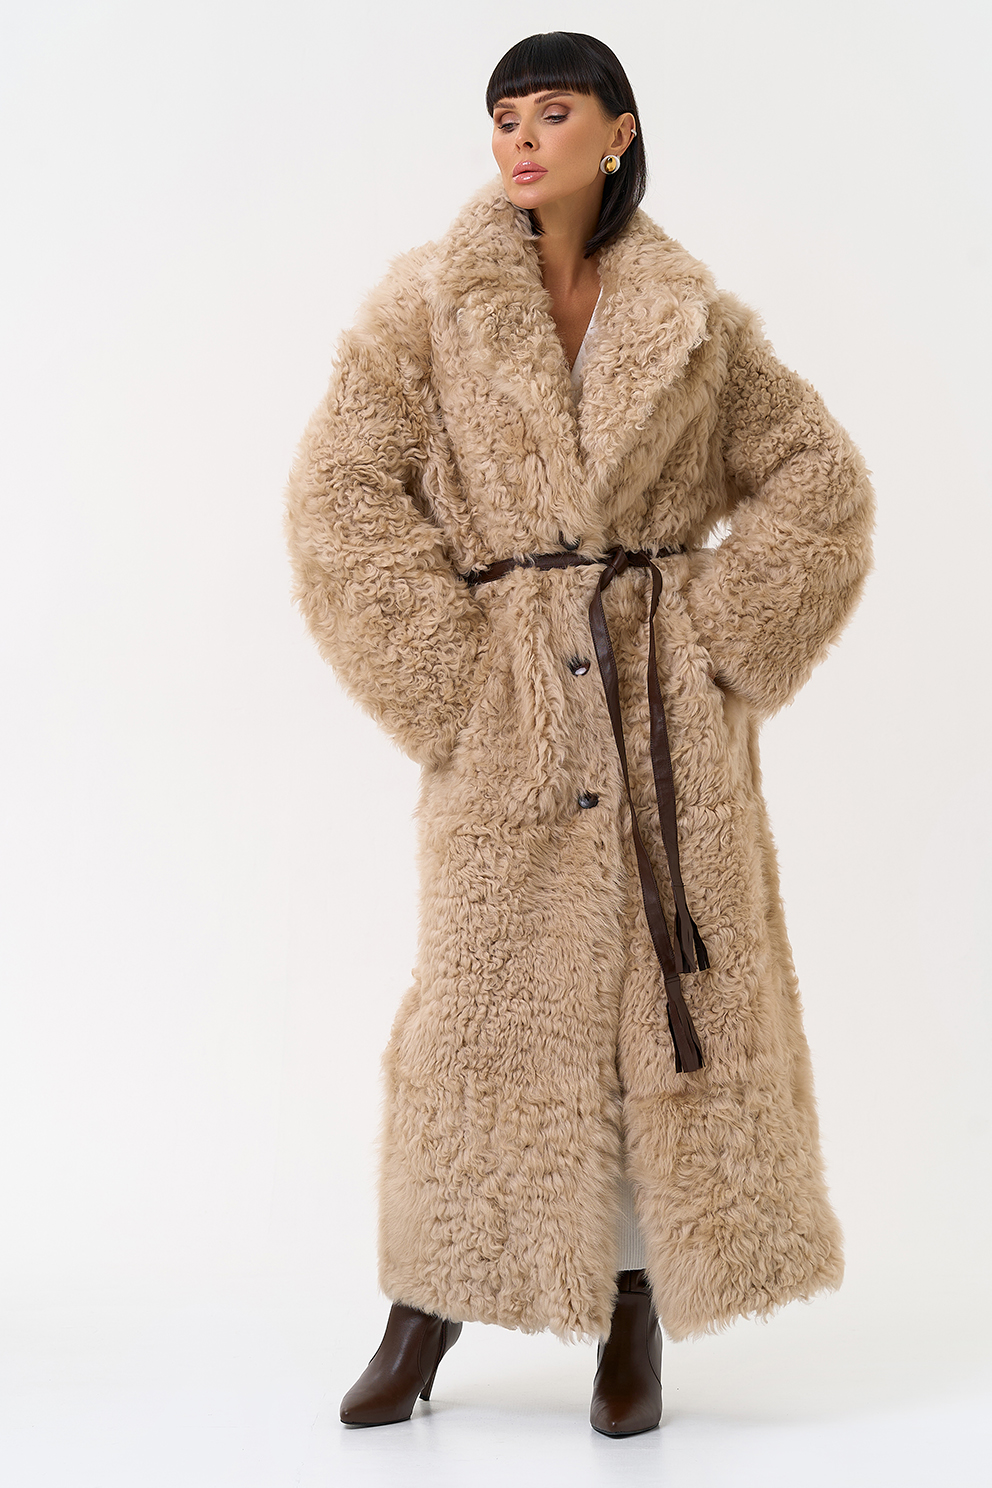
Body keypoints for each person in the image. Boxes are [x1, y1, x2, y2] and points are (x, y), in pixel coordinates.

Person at [283, 31, 875, 1438]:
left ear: (618, 131)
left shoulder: (692, 320)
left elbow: (819, 479)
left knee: (661, 1011)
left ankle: (633, 1309)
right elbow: (340, 496)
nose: (521, 141)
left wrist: (713, 637)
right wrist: (459, 686)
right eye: (504, 118)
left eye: (552, 113)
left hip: (665, 729)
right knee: (481, 1004)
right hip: (515, 735)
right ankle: (426, 1304)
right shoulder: (427, 309)